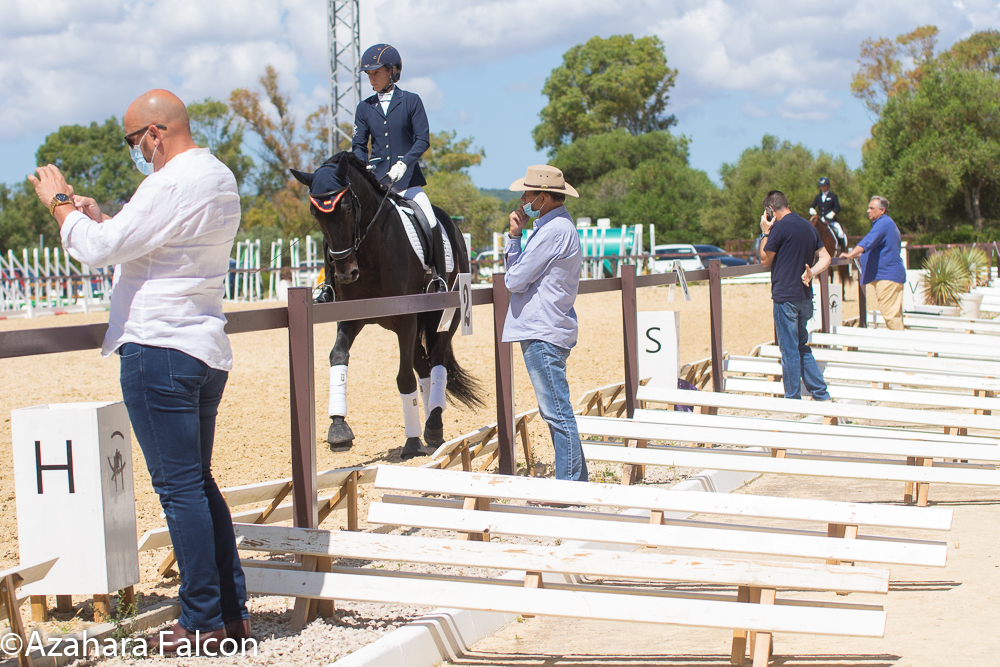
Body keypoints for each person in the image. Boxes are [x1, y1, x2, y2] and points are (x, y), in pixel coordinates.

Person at [27, 90, 249, 653]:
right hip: (202, 342)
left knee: (179, 491)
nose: (136, 152)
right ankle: (231, 607)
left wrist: (61, 207)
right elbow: (155, 242)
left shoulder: (168, 181)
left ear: (155, 132)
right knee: (198, 483)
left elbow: (99, 250)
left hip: (157, 346)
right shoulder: (219, 176)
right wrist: (103, 216)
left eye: (134, 141)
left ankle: (202, 620)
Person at [504, 165, 587, 482]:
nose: (523, 199)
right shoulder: (559, 226)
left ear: (543, 197)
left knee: (556, 413)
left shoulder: (552, 231)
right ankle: (577, 484)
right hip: (551, 327)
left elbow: (514, 279)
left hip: (542, 330)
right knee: (558, 410)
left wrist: (514, 238)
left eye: (527, 193)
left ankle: (566, 490)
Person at [348, 43, 447, 293]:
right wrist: (363, 168)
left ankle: (437, 276)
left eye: (376, 73)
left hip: (407, 181)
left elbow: (422, 139)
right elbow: (359, 144)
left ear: (393, 71)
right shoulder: (364, 108)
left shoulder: (411, 101)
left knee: (430, 220)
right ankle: (329, 284)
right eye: (369, 75)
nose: (372, 79)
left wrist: (404, 163)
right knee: (344, 220)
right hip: (377, 183)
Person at [758, 190, 832, 400]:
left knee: (789, 349)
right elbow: (826, 257)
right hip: (805, 295)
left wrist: (765, 232)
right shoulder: (809, 226)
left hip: (785, 296)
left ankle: (792, 399)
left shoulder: (779, 227)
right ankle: (821, 394)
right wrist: (812, 273)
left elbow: (765, 259)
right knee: (802, 346)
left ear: (770, 210)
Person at [839, 196, 906, 330]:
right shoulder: (885, 223)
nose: (868, 211)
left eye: (871, 208)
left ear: (882, 210)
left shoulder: (883, 223)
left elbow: (868, 241)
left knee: (891, 317)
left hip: (887, 277)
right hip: (889, 276)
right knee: (893, 315)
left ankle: (903, 348)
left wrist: (851, 254)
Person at [810, 177, 848, 252]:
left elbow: (838, 208)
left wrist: (833, 213)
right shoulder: (818, 197)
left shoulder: (833, 196)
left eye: (824, 186)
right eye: (821, 186)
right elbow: (812, 206)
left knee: (840, 233)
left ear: (828, 186)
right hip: (820, 221)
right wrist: (811, 209)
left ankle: (842, 251)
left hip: (831, 221)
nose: (823, 188)